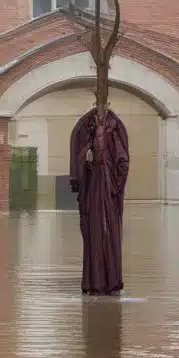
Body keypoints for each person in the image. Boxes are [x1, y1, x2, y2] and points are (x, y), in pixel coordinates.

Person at [70, 107, 130, 295]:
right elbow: (78, 160)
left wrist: (114, 185)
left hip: (109, 196)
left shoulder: (115, 134)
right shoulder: (84, 132)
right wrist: (86, 160)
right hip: (92, 195)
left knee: (110, 236)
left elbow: (123, 162)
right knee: (94, 237)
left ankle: (110, 281)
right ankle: (93, 281)